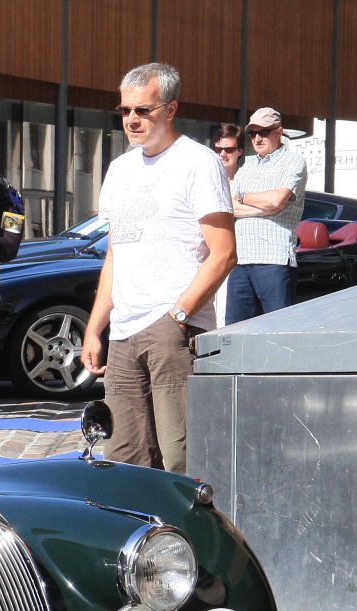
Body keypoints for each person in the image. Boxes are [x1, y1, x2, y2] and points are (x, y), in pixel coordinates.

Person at [80, 62, 235, 475]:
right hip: (123, 332)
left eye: (142, 110)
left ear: (170, 109)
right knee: (124, 457)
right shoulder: (120, 168)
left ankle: (192, 522)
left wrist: (178, 316)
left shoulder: (198, 162)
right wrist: (95, 328)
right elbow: (116, 255)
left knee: (181, 456)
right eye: (125, 110)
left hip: (171, 328)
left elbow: (223, 253)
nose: (131, 119)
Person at [227, 107, 308, 324]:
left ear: (279, 131)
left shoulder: (294, 162)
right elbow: (230, 206)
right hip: (240, 259)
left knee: (277, 330)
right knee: (234, 332)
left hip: (274, 258)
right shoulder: (247, 166)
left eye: (263, 132)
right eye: (252, 133)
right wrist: (263, 207)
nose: (257, 138)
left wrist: (243, 197)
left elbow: (276, 200)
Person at [211, 123, 244, 327]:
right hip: (206, 256)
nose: (223, 154)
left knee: (225, 317)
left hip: (235, 259)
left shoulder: (247, 179)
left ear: (240, 151)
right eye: (218, 149)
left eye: (229, 149)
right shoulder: (209, 179)